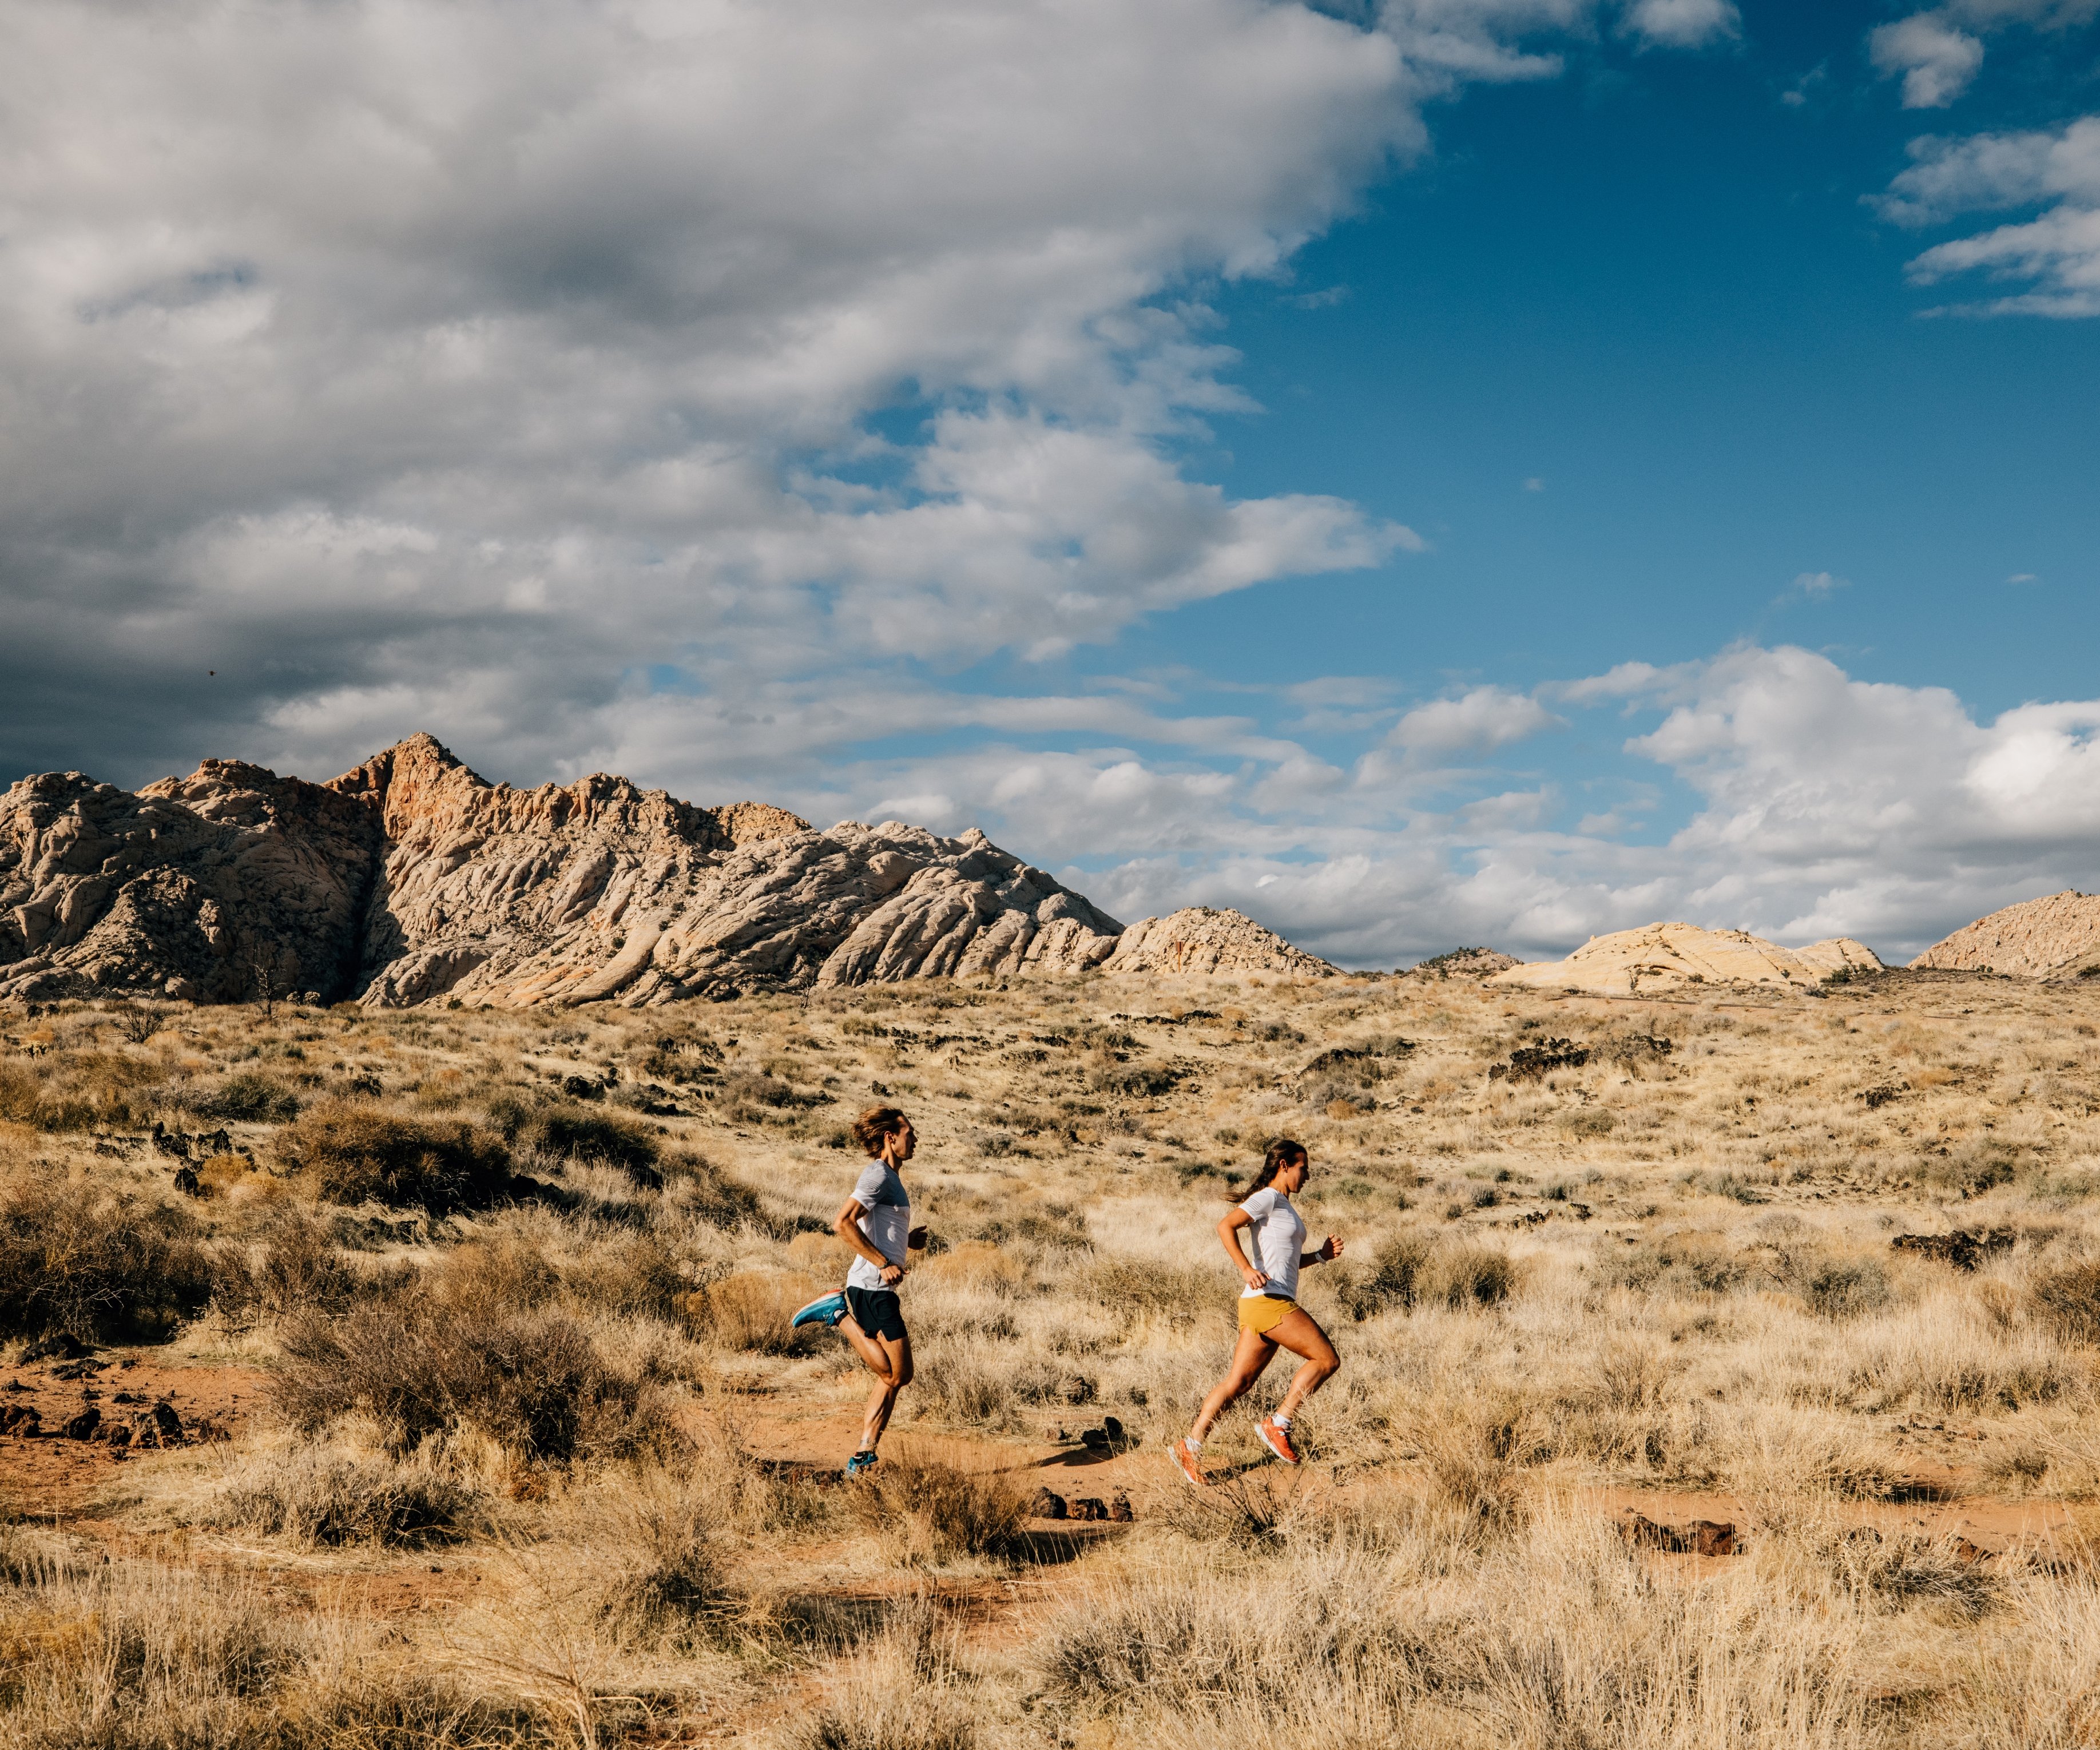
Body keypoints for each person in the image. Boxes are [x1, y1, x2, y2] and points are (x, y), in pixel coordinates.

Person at [1172, 1137, 1343, 1484]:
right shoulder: (1268, 1198)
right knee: (1326, 1360)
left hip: (1258, 1304)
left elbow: (1288, 1263)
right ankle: (1278, 1424)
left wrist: (1321, 1256)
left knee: (1239, 1382)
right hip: (1269, 1301)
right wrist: (1246, 1269)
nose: (1307, 1176)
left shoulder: (1283, 1205)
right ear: (1285, 1166)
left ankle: (1189, 1446)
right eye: (1303, 1168)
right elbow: (1225, 1226)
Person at [790, 1104, 927, 1475]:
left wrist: (904, 1242)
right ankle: (837, 1314)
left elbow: (874, 1226)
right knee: (898, 1374)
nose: (915, 1139)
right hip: (871, 1287)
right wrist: (884, 1263)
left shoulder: (891, 1179)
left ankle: (864, 1452)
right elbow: (843, 1222)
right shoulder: (878, 1174)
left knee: (892, 1377)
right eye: (909, 1132)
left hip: (876, 1287)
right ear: (890, 1136)